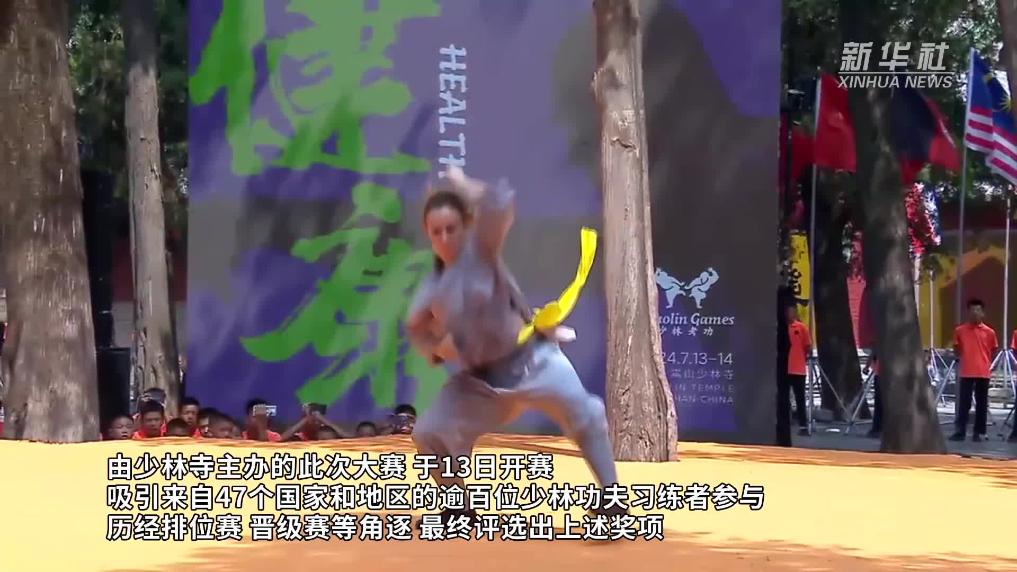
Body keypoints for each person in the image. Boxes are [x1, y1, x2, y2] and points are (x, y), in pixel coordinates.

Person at [405, 167, 619, 524]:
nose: (444, 238)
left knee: (587, 414)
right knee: (429, 432)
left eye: (451, 229)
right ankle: (458, 508)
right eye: (436, 232)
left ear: (466, 227)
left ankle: (613, 501)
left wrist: (463, 185)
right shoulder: (433, 288)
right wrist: (438, 349)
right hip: (481, 384)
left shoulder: (482, 251)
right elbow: (415, 329)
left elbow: (500, 201)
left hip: (535, 361)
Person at [951, 298, 998, 442]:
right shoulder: (960, 330)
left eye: (978, 310)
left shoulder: (990, 332)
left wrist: (985, 362)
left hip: (983, 372)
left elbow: (993, 349)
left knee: (981, 404)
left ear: (983, 313)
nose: (975, 313)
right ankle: (960, 431)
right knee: (964, 403)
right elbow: (956, 348)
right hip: (966, 371)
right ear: (968, 312)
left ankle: (979, 432)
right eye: (972, 310)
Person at [784, 302, 811, 436]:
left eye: (791, 311)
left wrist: (802, 358)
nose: (789, 314)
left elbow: (807, 346)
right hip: (784, 369)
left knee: (800, 398)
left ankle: (803, 426)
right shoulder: (780, 328)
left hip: (798, 368)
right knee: (783, 398)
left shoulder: (801, 328)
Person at [864, 354, 883, 439]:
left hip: (881, 373)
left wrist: (867, 366)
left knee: (879, 403)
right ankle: (878, 428)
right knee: (880, 402)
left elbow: (874, 351)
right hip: (881, 372)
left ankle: (877, 428)